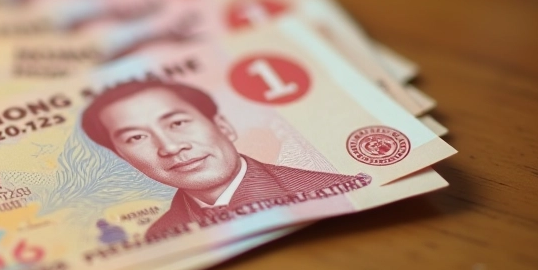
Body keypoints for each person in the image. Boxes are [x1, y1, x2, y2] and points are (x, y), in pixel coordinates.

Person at [80, 80, 366, 241]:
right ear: (124, 158)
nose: (168, 146)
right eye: (135, 138)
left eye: (178, 123)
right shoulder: (159, 235)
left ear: (224, 126)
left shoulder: (335, 190)